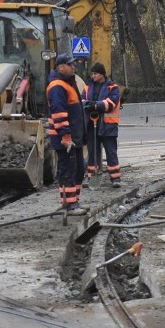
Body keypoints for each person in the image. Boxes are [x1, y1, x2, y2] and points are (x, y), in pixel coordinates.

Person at [46, 53, 87, 215]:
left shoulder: (68, 83)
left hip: (74, 137)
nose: (73, 67)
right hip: (65, 139)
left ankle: (72, 202)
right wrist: (65, 136)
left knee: (78, 170)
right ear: (61, 67)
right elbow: (59, 113)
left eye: (73, 65)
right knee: (68, 170)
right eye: (70, 65)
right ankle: (69, 205)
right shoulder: (57, 86)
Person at [82, 62, 122, 187]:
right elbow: (82, 101)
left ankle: (115, 178)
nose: (92, 76)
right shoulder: (87, 87)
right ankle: (91, 177)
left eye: (95, 73)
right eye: (92, 74)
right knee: (92, 151)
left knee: (111, 151)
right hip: (91, 124)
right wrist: (90, 105)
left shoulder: (113, 87)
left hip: (108, 125)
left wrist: (95, 105)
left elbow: (111, 103)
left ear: (102, 74)